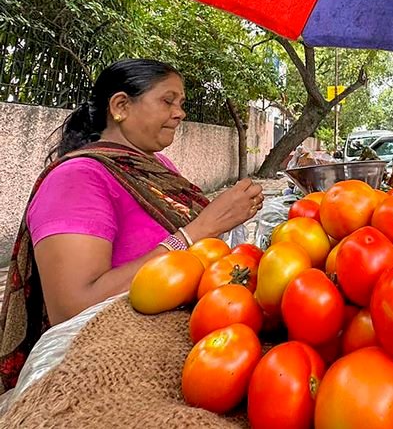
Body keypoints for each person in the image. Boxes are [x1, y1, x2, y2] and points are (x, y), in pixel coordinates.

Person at [0, 59, 264, 392]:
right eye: (168, 101)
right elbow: (72, 306)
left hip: (201, 343)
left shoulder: (157, 165)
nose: (180, 113)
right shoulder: (76, 180)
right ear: (121, 106)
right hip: (106, 370)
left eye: (181, 104)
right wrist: (196, 232)